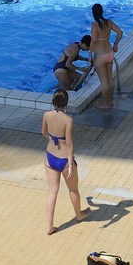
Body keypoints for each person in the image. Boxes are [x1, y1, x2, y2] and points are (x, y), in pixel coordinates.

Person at [42, 89, 89, 235]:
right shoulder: (68, 120)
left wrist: (53, 140)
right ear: (66, 103)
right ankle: (79, 215)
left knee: (52, 192)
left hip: (50, 157)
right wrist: (69, 166)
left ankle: (49, 226)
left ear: (53, 102)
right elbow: (69, 144)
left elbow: (44, 133)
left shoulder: (47, 115)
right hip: (64, 160)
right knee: (73, 189)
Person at [88, 3, 123, 107]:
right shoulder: (109, 22)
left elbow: (94, 40)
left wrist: (90, 54)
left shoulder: (94, 25)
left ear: (93, 13)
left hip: (100, 56)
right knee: (110, 79)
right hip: (109, 53)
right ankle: (110, 102)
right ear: (102, 12)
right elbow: (120, 32)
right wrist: (115, 44)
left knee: (104, 82)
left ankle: (106, 104)